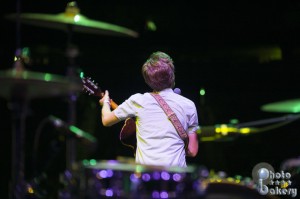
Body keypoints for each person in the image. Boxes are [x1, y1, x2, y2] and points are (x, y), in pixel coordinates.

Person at [99, 51, 199, 167]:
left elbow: (106, 120)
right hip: (176, 178)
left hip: (146, 178)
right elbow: (192, 151)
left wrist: (106, 102)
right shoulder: (189, 105)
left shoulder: (138, 101)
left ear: (147, 81)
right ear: (172, 75)